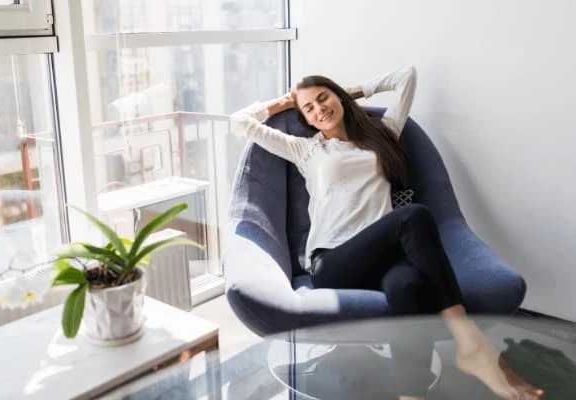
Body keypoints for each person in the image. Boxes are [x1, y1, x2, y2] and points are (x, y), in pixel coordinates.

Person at [230, 65, 544, 400]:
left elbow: (405, 77)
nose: (319, 108)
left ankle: (412, 395)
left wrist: (354, 90)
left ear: (338, 96)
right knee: (414, 217)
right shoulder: (306, 150)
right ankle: (471, 345)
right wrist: (285, 103)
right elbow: (240, 122)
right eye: (309, 108)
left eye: (324, 98)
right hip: (335, 261)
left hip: (384, 258)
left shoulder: (383, 134)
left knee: (410, 285)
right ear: (305, 119)